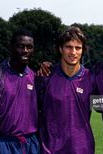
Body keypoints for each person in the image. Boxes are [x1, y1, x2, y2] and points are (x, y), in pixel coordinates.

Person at [36, 26, 95, 154]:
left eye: (78, 48)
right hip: (50, 149)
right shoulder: (45, 77)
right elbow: (28, 109)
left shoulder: (91, 78)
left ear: (83, 51)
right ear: (60, 49)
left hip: (82, 148)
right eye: (68, 47)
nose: (73, 52)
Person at [0, 29, 40, 154]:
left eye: (29, 47)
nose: (25, 51)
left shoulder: (35, 77)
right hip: (5, 145)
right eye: (20, 46)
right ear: (11, 47)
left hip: (32, 144)